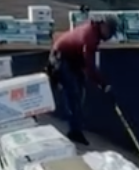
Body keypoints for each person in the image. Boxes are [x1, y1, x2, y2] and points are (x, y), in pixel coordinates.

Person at [47, 14, 117, 145]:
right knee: (73, 94)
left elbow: (85, 63)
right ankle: (74, 132)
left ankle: (75, 128)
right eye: (109, 31)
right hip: (61, 58)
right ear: (103, 26)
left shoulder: (93, 31)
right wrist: (103, 84)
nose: (109, 36)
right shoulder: (91, 37)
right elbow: (90, 66)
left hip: (71, 58)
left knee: (78, 92)